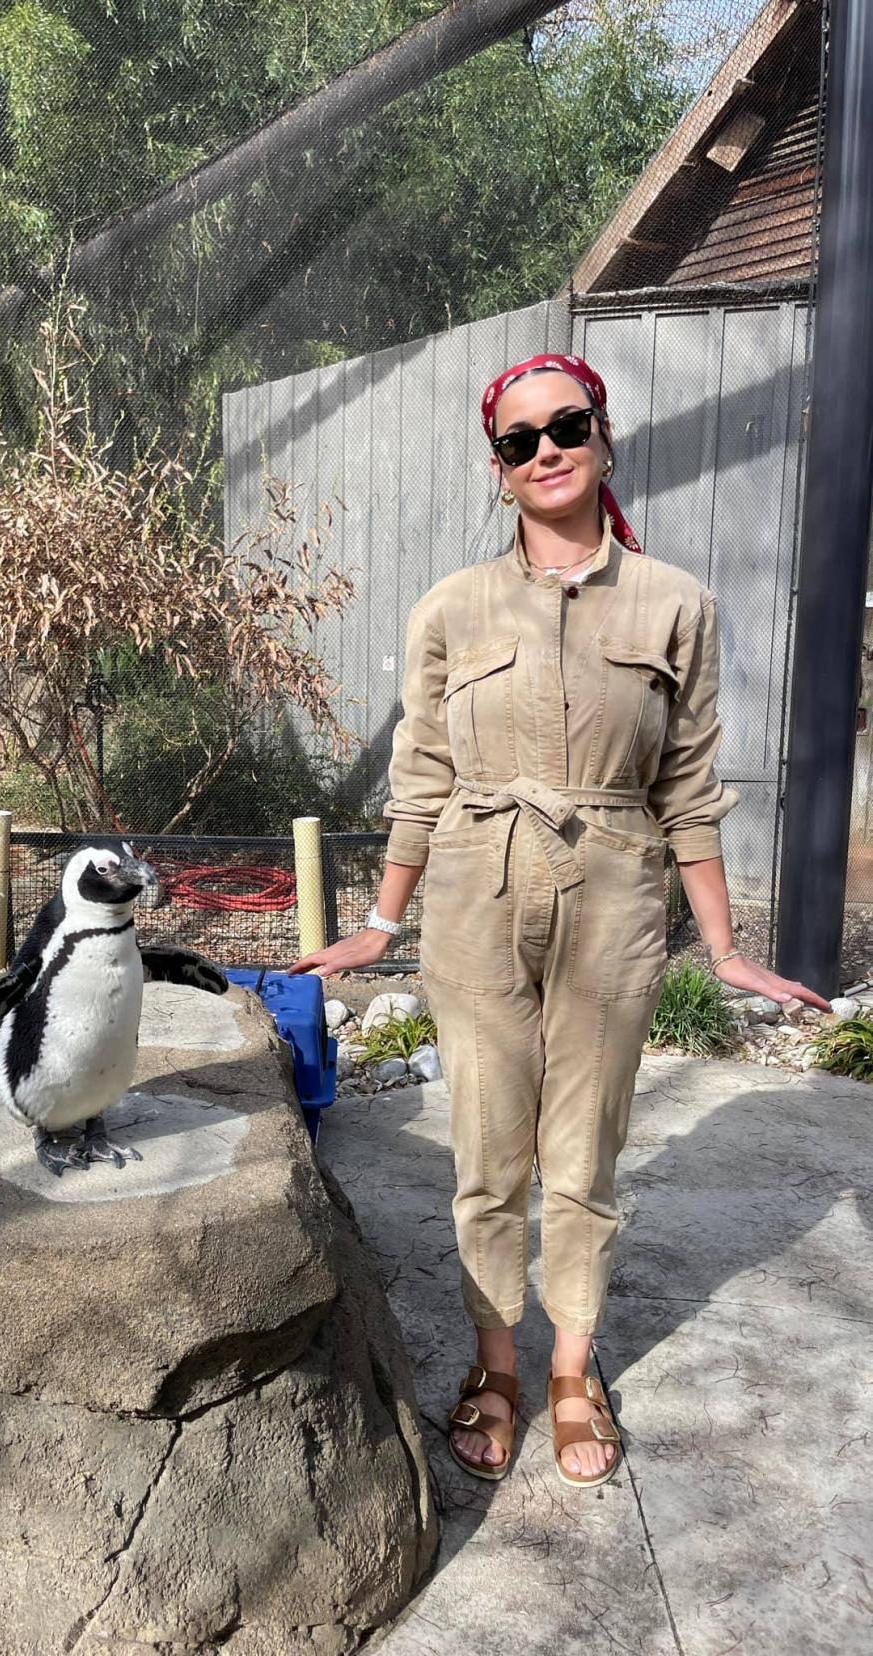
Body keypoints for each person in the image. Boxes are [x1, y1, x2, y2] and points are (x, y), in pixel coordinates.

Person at [289, 353, 829, 1488]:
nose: (545, 451)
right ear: (498, 470)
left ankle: (574, 1371)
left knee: (582, 1158)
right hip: (477, 888)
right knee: (488, 1152)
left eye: (565, 426)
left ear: (603, 435)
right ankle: (498, 1365)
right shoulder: (452, 608)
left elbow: (688, 787)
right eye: (518, 441)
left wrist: (724, 948)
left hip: (615, 890)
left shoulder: (678, 604)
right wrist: (382, 923)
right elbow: (422, 777)